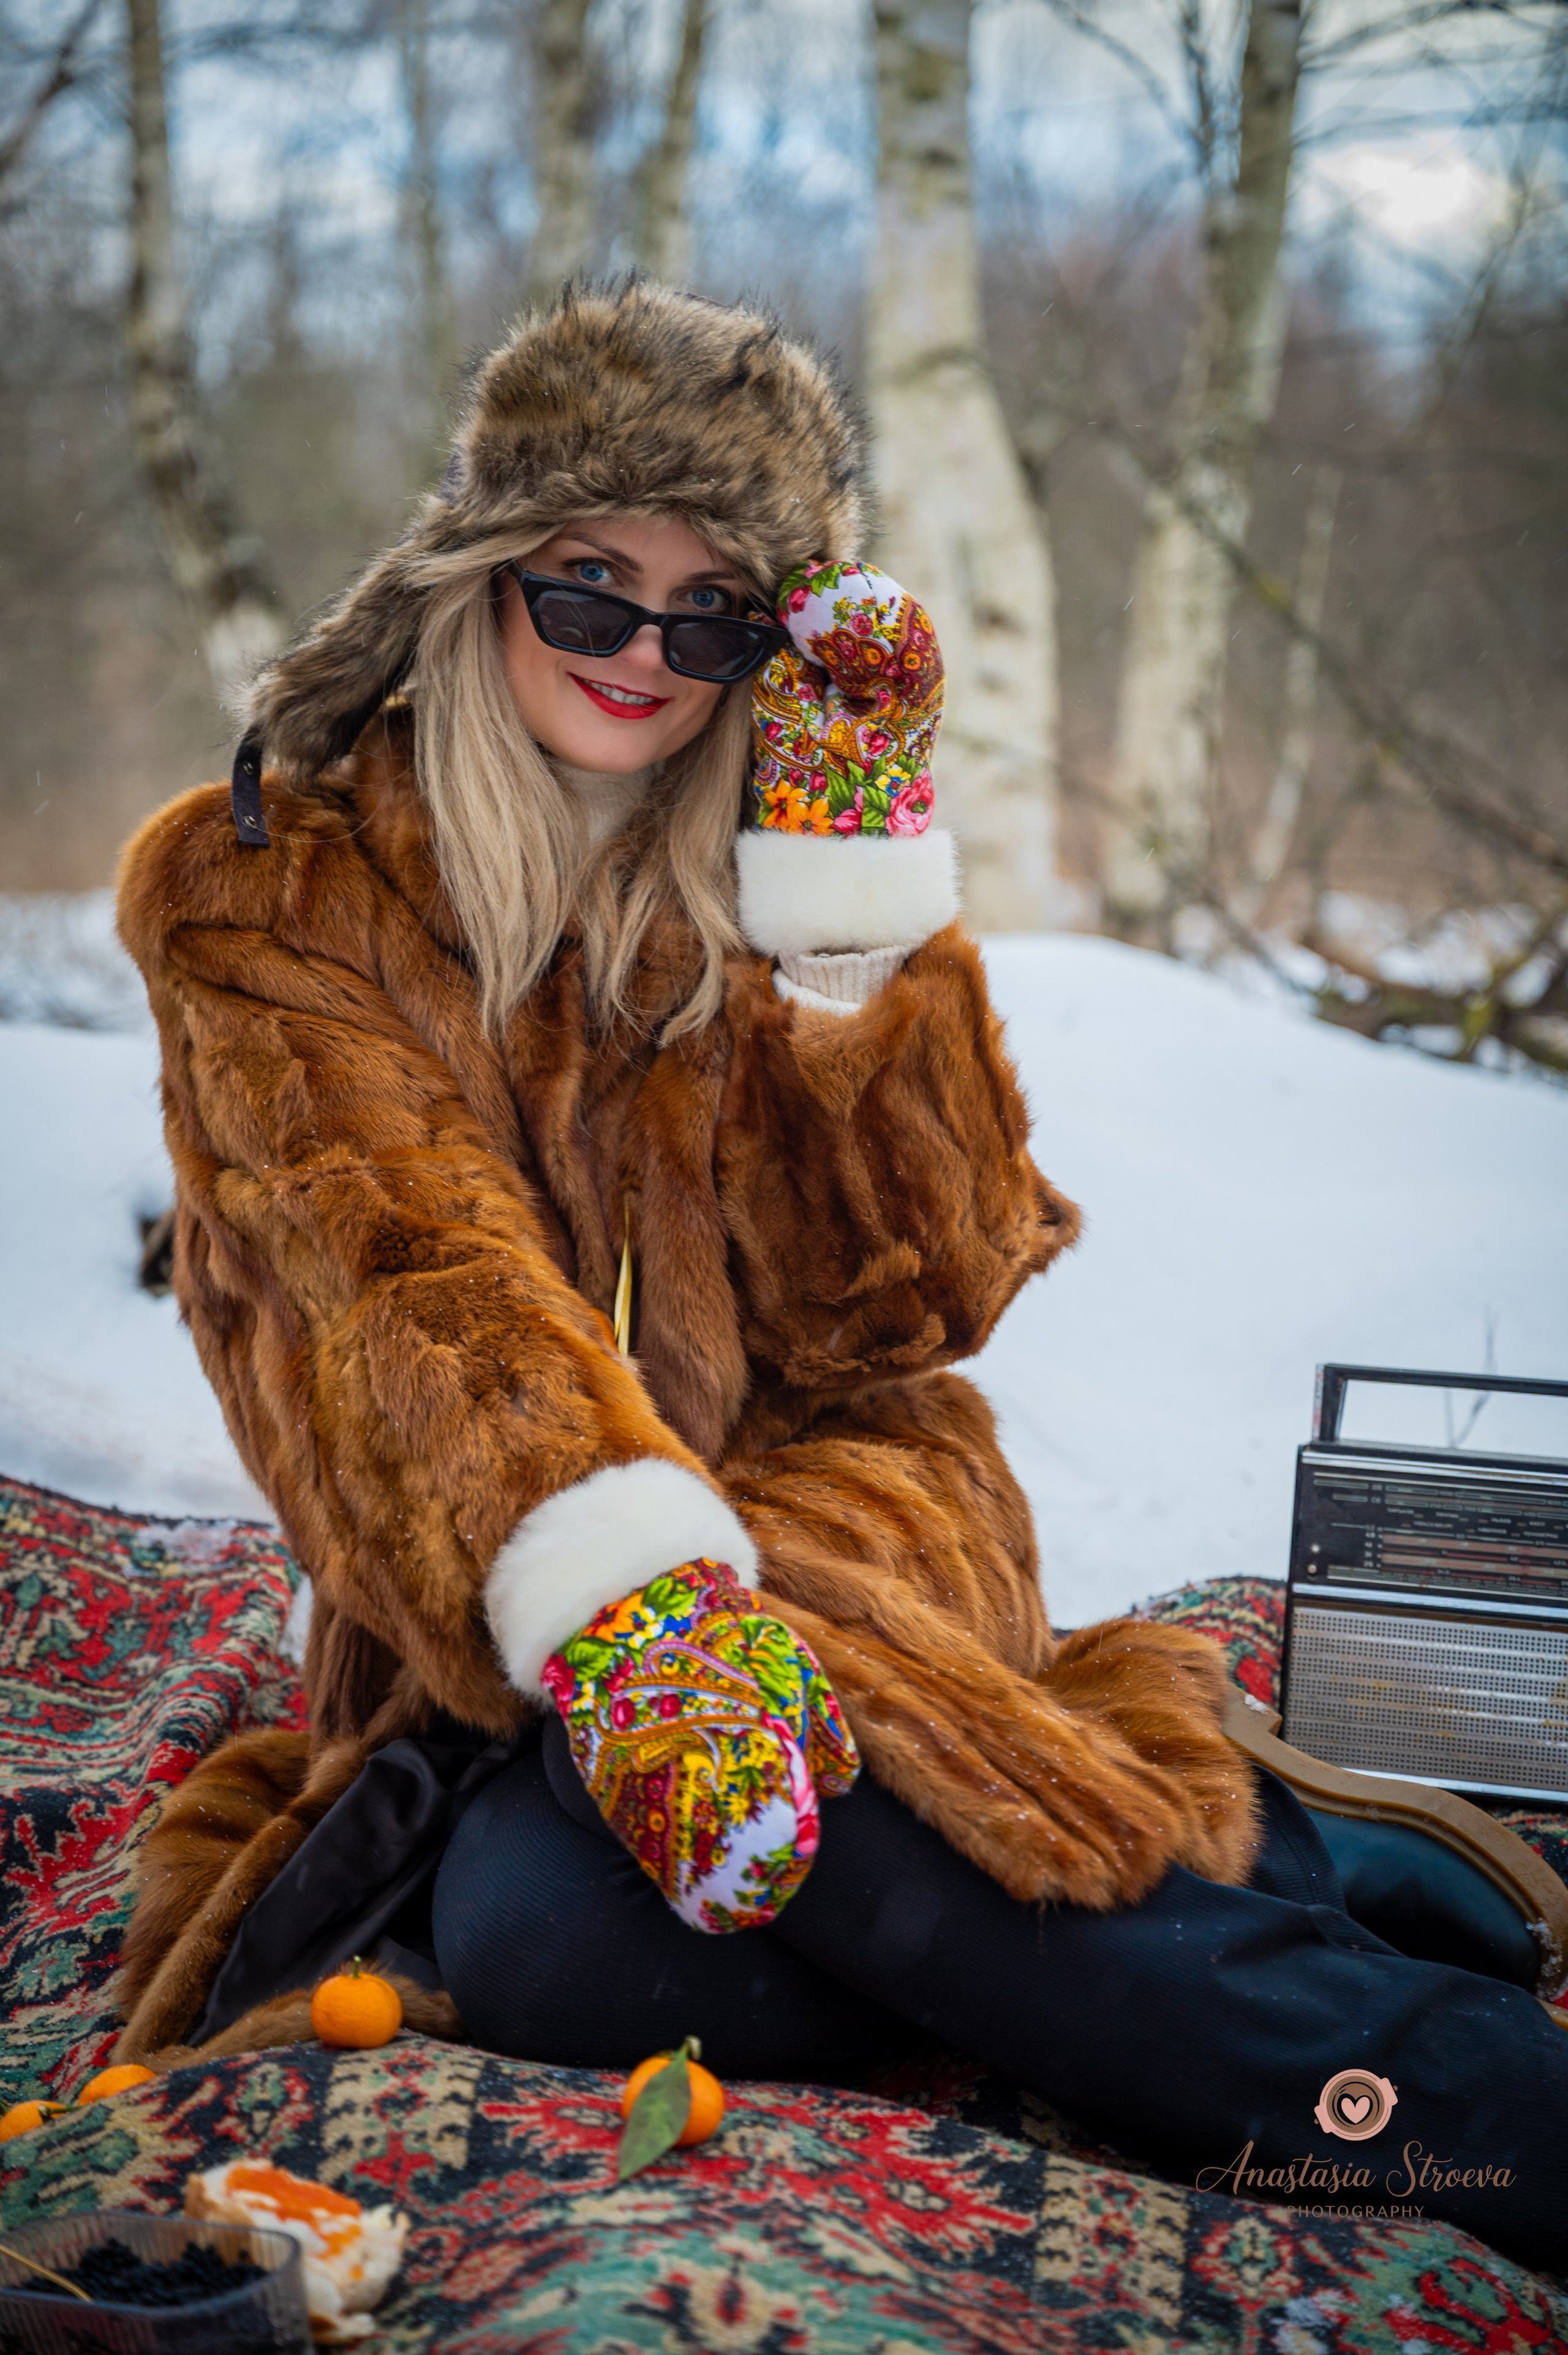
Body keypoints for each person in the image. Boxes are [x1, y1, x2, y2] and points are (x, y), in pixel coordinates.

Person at [112, 281, 1568, 2270]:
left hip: (851, 1507)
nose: (647, 653)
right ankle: (1257, 1841)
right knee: (554, 1948)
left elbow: (913, 1306)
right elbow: (403, 1285)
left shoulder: (769, 849)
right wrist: (631, 1609)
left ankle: (1456, 2100)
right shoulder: (268, 887)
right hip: (500, 1576)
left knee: (731, 1855)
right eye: (589, 588)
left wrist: (847, 923)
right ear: (478, 572)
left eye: (713, 613)